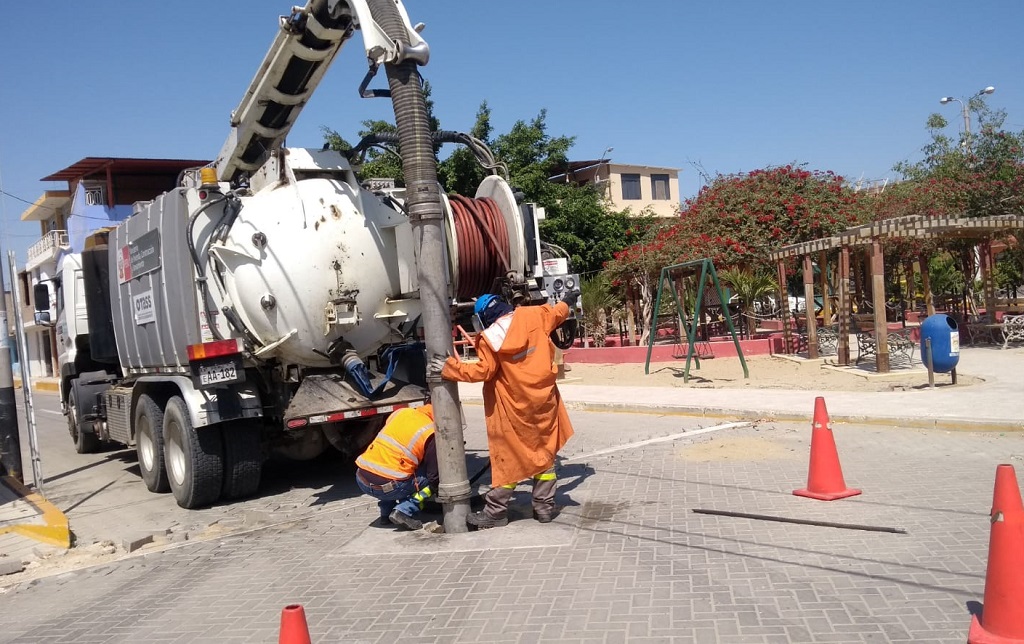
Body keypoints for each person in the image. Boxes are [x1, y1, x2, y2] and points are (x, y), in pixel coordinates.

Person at [429, 291, 579, 529]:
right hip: (544, 404)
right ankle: (544, 508)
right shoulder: (535, 315)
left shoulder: (490, 338)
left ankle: (495, 512)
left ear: (484, 317)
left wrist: (449, 368)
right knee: (544, 452)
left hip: (514, 408)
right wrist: (568, 300)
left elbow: (483, 371)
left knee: (509, 458)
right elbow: (558, 313)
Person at [354, 404, 438, 531]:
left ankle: (385, 513)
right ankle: (404, 510)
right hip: (389, 487)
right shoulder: (430, 431)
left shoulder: (401, 412)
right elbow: (433, 475)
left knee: (390, 466)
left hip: (361, 478)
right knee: (433, 477)